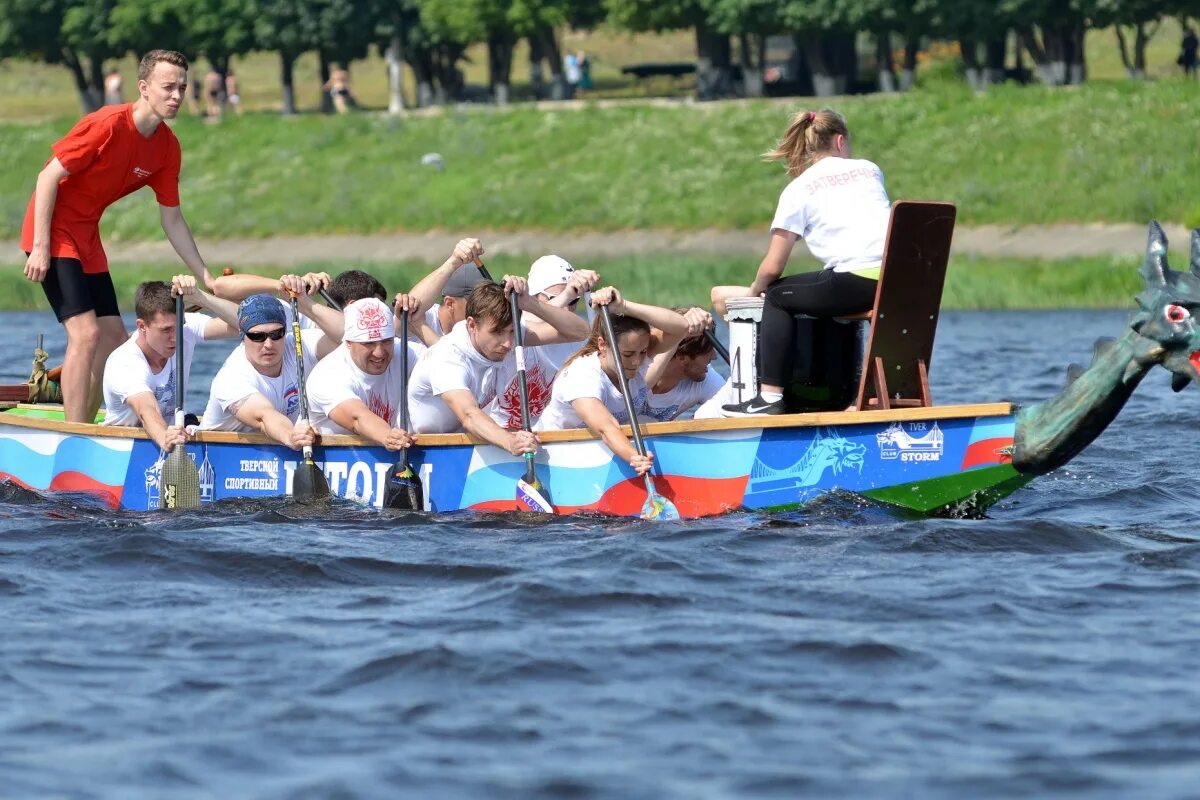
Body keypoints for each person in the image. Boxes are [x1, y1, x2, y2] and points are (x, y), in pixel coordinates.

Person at [22, 49, 221, 424]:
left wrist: (205, 273)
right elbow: (47, 177)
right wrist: (41, 247)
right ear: (144, 88)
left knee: (114, 339)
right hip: (52, 231)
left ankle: (95, 420)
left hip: (87, 237)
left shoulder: (166, 147)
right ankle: (74, 432)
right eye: (168, 88)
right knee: (85, 334)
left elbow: (173, 218)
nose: (176, 96)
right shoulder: (107, 124)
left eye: (182, 88)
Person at [721, 107, 889, 417]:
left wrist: (755, 290)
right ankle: (876, 396)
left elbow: (773, 267)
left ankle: (769, 398)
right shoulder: (870, 169)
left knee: (777, 297)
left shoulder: (797, 189)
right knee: (815, 287)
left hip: (856, 283)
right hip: (898, 282)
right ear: (840, 142)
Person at [406, 279, 585, 456]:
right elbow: (469, 415)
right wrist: (510, 442)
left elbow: (579, 332)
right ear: (471, 325)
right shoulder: (448, 357)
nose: (508, 343)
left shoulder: (504, 332)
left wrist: (530, 303)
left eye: (512, 331)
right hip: (417, 449)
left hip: (457, 444)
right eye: (497, 333)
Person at [534, 289, 693, 475]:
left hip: (602, 454)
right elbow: (606, 428)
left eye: (642, 352)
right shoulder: (584, 375)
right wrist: (633, 456)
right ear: (602, 345)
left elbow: (681, 327)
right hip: (554, 459)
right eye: (627, 354)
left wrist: (624, 306)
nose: (637, 362)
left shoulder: (637, 354)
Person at [102, 277, 239, 452]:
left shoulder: (185, 328)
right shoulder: (124, 363)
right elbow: (147, 411)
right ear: (142, 326)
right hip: (124, 450)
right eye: (166, 330)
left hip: (171, 435)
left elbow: (248, 324)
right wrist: (165, 438)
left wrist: (200, 297)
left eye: (178, 327)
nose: (175, 337)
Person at [199, 291, 342, 448]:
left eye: (276, 334)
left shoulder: (297, 344)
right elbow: (264, 417)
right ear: (243, 336)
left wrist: (306, 302)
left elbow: (348, 336)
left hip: (275, 444)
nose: (268, 344)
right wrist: (291, 435)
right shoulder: (231, 378)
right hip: (219, 451)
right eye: (257, 336)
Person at [485, 254, 597, 429]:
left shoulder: (577, 332)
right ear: (532, 298)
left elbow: (583, 332)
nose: (568, 307)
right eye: (554, 298)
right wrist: (567, 294)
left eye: (574, 300)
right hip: (500, 431)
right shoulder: (514, 328)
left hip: (552, 432)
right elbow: (528, 317)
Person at [305, 298, 421, 451]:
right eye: (369, 343)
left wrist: (419, 323)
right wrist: (387, 435)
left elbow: (444, 360)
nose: (379, 353)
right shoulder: (327, 375)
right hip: (338, 463)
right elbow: (357, 419)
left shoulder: (406, 351)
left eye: (386, 341)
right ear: (348, 342)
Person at [405, 238, 489, 344]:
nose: (484, 311)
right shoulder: (426, 317)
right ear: (450, 304)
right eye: (476, 306)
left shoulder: (481, 330)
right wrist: (452, 262)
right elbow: (406, 312)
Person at [644, 316, 725, 422]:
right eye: (708, 350)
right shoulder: (634, 369)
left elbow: (735, 409)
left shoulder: (706, 378)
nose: (714, 356)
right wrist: (680, 330)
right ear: (682, 357)